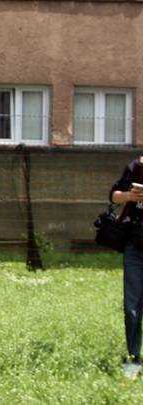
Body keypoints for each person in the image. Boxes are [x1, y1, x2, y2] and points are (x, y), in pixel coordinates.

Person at [111, 156, 143, 379]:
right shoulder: (136, 167)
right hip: (135, 249)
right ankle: (134, 359)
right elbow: (114, 196)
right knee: (132, 308)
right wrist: (129, 196)